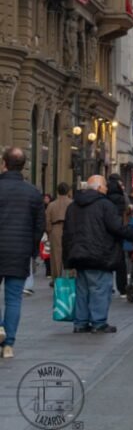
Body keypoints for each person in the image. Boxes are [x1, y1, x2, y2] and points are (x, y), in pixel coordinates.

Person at [62, 175, 133, 334]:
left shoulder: (73, 206)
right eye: (105, 186)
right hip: (99, 254)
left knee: (82, 290)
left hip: (78, 255)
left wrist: (66, 258)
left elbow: (67, 233)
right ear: (99, 188)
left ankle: (80, 323)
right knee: (100, 289)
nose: (107, 188)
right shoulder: (105, 205)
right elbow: (117, 228)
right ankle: (98, 323)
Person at [0, 148, 45, 359]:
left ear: (4, 164)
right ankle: (8, 344)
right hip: (19, 252)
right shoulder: (33, 192)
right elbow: (39, 226)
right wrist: (32, 249)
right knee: (14, 298)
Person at [106, 174, 130, 299]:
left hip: (106, 231)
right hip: (119, 230)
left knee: (106, 259)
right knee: (121, 260)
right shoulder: (122, 197)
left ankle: (108, 287)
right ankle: (123, 288)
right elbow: (127, 210)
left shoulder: (104, 197)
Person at [46, 182, 73, 282]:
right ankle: (71, 277)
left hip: (55, 229)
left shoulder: (51, 205)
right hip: (69, 229)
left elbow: (47, 220)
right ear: (68, 191)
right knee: (70, 254)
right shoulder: (72, 203)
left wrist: (49, 232)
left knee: (56, 257)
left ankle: (56, 279)